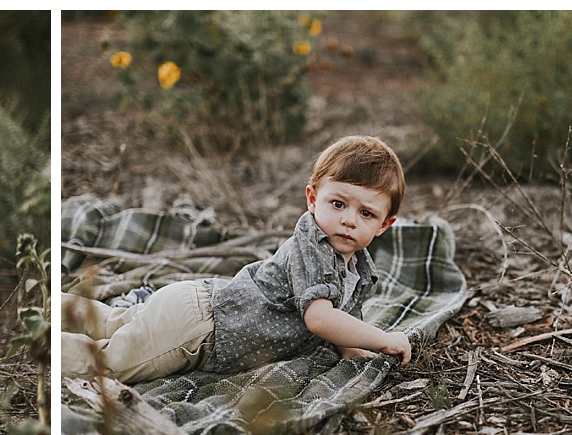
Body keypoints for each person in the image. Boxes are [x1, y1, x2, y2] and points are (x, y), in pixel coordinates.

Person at [62, 135, 412, 384]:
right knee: (110, 364)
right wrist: (382, 338)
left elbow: (342, 322)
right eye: (338, 204)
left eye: (366, 213)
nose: (349, 219)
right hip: (199, 330)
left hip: (201, 306)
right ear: (312, 198)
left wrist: (355, 351)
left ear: (385, 224)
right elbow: (320, 318)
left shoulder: (359, 268)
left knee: (115, 324)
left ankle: (53, 307)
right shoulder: (313, 244)